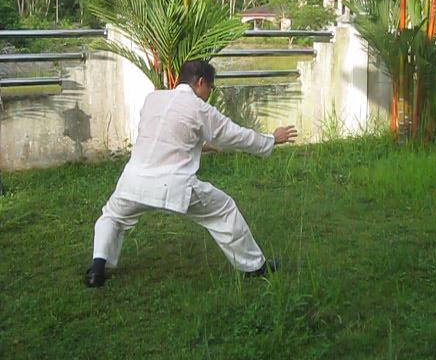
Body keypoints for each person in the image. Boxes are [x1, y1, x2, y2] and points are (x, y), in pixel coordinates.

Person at [85, 60, 297, 287]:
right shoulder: (200, 108)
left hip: (132, 183)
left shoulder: (152, 99)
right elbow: (235, 135)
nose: (210, 94)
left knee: (112, 216)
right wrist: (272, 139)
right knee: (224, 209)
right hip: (173, 185)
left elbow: (161, 135)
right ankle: (254, 266)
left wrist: (200, 145)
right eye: (211, 88)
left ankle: (97, 269)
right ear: (201, 82)